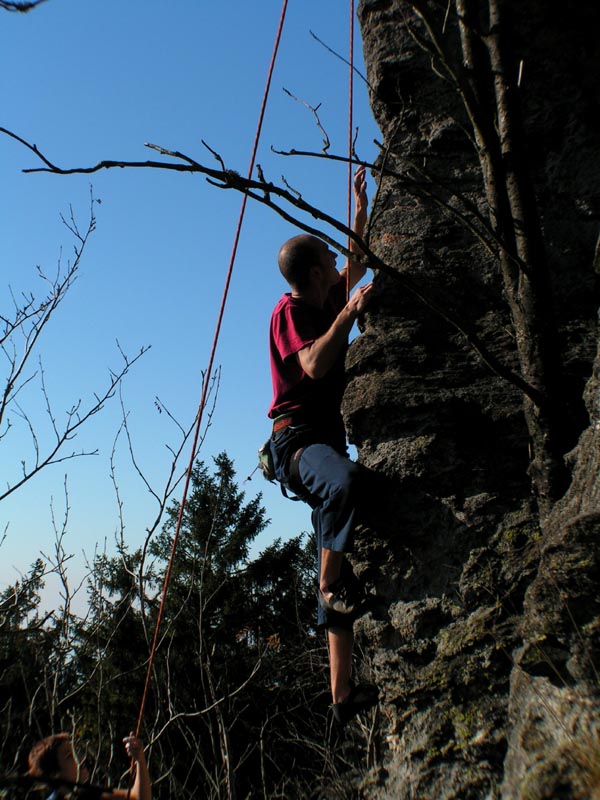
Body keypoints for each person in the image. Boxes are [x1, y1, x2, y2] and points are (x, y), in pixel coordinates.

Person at [267, 165, 379, 725]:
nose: (341, 270)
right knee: (346, 483)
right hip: (296, 442)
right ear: (313, 274)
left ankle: (342, 695)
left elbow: (355, 260)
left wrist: (360, 204)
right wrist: (351, 313)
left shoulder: (324, 294)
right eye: (330, 265)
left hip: (323, 443)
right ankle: (329, 582)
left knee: (338, 546)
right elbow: (312, 363)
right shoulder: (290, 312)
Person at [27, 731, 151, 800]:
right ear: (54, 774)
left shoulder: (91, 793)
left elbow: (137, 798)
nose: (80, 758)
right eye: (69, 756)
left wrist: (139, 760)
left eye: (77, 752)